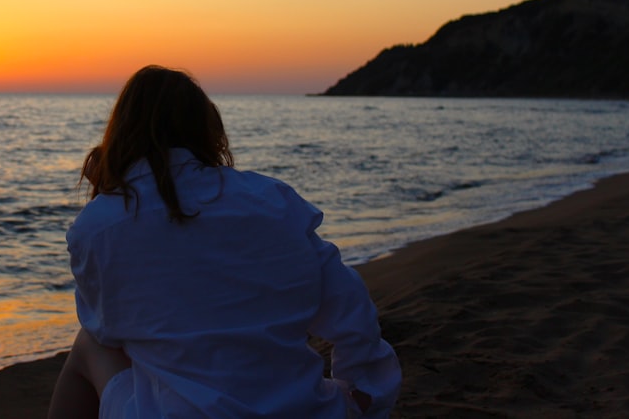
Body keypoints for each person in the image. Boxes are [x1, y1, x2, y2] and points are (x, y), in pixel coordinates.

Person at [49, 66, 400, 418]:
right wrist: (364, 391)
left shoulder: (100, 224)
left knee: (91, 343)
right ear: (206, 129)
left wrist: (108, 192)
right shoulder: (272, 200)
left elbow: (107, 329)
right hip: (302, 410)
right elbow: (351, 309)